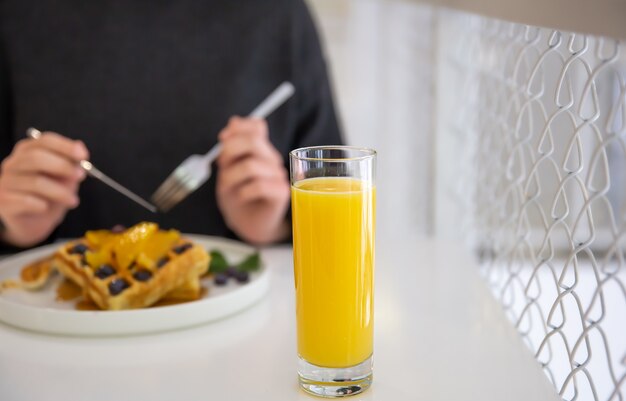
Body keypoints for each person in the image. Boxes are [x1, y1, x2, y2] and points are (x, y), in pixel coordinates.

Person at [0, 0, 342, 249]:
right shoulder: (16, 15)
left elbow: (339, 221)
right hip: (49, 329)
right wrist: (10, 224)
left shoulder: (279, 16)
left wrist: (276, 227)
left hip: (246, 329)